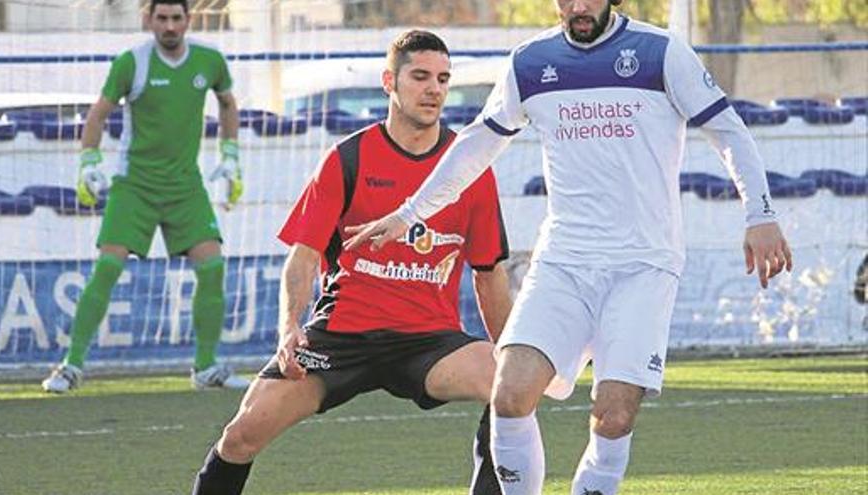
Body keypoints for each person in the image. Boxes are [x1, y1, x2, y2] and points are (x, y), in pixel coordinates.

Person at [344, 1, 794, 494]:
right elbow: (477, 144)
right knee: (510, 395)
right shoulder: (530, 62)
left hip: (643, 265)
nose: (579, 6)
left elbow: (728, 130)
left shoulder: (661, 52)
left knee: (613, 415)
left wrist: (761, 214)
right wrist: (409, 212)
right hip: (563, 261)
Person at [191, 30, 512, 495]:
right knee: (241, 435)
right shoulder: (348, 158)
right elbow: (302, 257)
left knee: (508, 384)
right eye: (420, 76)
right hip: (340, 338)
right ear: (389, 81)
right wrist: (289, 327)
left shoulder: (469, 168)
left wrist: (509, 348)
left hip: (426, 341)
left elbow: (489, 273)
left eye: (443, 79)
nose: (434, 89)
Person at [41, 0, 249, 393]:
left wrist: (231, 154)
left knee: (213, 266)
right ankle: (70, 366)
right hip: (134, 185)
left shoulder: (210, 61)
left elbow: (227, 103)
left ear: (188, 20)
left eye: (176, 18)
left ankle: (205, 368)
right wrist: (88, 161)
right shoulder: (131, 63)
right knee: (108, 268)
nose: (169, 26)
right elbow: (98, 114)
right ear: (148, 20)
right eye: (162, 18)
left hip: (185, 186)